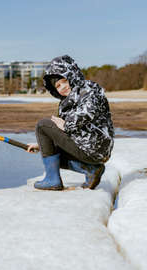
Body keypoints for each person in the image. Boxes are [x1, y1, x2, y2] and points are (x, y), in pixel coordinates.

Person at [27, 55, 114, 190]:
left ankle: (52, 179)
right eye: (57, 86)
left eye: (63, 81)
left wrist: (66, 124)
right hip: (88, 148)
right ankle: (91, 170)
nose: (62, 87)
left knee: (42, 125)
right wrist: (42, 145)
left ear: (72, 76)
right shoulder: (67, 102)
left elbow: (87, 112)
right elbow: (62, 133)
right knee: (53, 154)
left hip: (94, 147)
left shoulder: (89, 89)